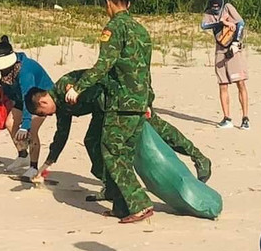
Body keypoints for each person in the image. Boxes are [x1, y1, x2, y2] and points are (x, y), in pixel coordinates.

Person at [63, 0, 155, 224]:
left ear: (108, 3)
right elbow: (146, 70)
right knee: (123, 153)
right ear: (128, 2)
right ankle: (122, 206)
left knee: (111, 151)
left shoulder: (114, 28)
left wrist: (78, 88)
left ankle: (140, 203)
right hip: (139, 102)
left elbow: (104, 64)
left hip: (121, 102)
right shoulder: (142, 31)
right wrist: (149, 100)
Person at [29, 74, 211, 186]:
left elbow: (100, 77)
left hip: (122, 97)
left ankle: (200, 158)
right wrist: (47, 165)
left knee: (159, 129)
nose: (47, 116)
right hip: (103, 111)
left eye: (42, 113)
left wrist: (143, 100)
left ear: (44, 101)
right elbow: (61, 135)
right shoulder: (60, 106)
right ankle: (110, 185)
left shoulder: (65, 86)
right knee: (92, 142)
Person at [0, 37, 54, 180]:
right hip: (21, 99)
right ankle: (23, 155)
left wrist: (25, 125)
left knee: (31, 131)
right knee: (10, 124)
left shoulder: (26, 71)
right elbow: (15, 93)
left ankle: (33, 167)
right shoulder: (7, 71)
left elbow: (27, 98)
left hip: (41, 101)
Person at [200, 0, 250, 130]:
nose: (216, 9)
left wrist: (235, 43)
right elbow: (204, 25)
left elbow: (240, 23)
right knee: (223, 84)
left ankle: (245, 119)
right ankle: (227, 118)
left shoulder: (228, 7)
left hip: (233, 49)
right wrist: (222, 22)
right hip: (220, 50)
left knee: (240, 83)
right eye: (213, 7)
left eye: (217, 7)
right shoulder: (209, 13)